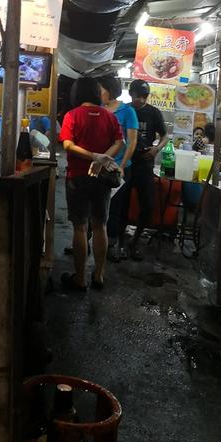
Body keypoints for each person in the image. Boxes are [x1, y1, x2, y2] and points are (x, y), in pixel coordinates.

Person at [59, 77, 124, 291]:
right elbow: (120, 142)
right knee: (100, 225)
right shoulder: (109, 116)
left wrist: (92, 156)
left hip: (78, 176)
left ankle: (80, 279)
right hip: (102, 178)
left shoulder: (72, 115)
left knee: (80, 227)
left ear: (76, 93)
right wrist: (102, 157)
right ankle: (98, 275)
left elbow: (67, 145)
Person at [109, 79, 168, 262]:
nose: (141, 100)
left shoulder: (154, 113)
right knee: (121, 204)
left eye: (144, 96)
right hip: (126, 163)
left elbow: (165, 136)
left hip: (145, 163)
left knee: (148, 204)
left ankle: (134, 242)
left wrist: (156, 149)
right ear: (131, 94)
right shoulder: (125, 110)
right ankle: (117, 243)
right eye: (137, 96)